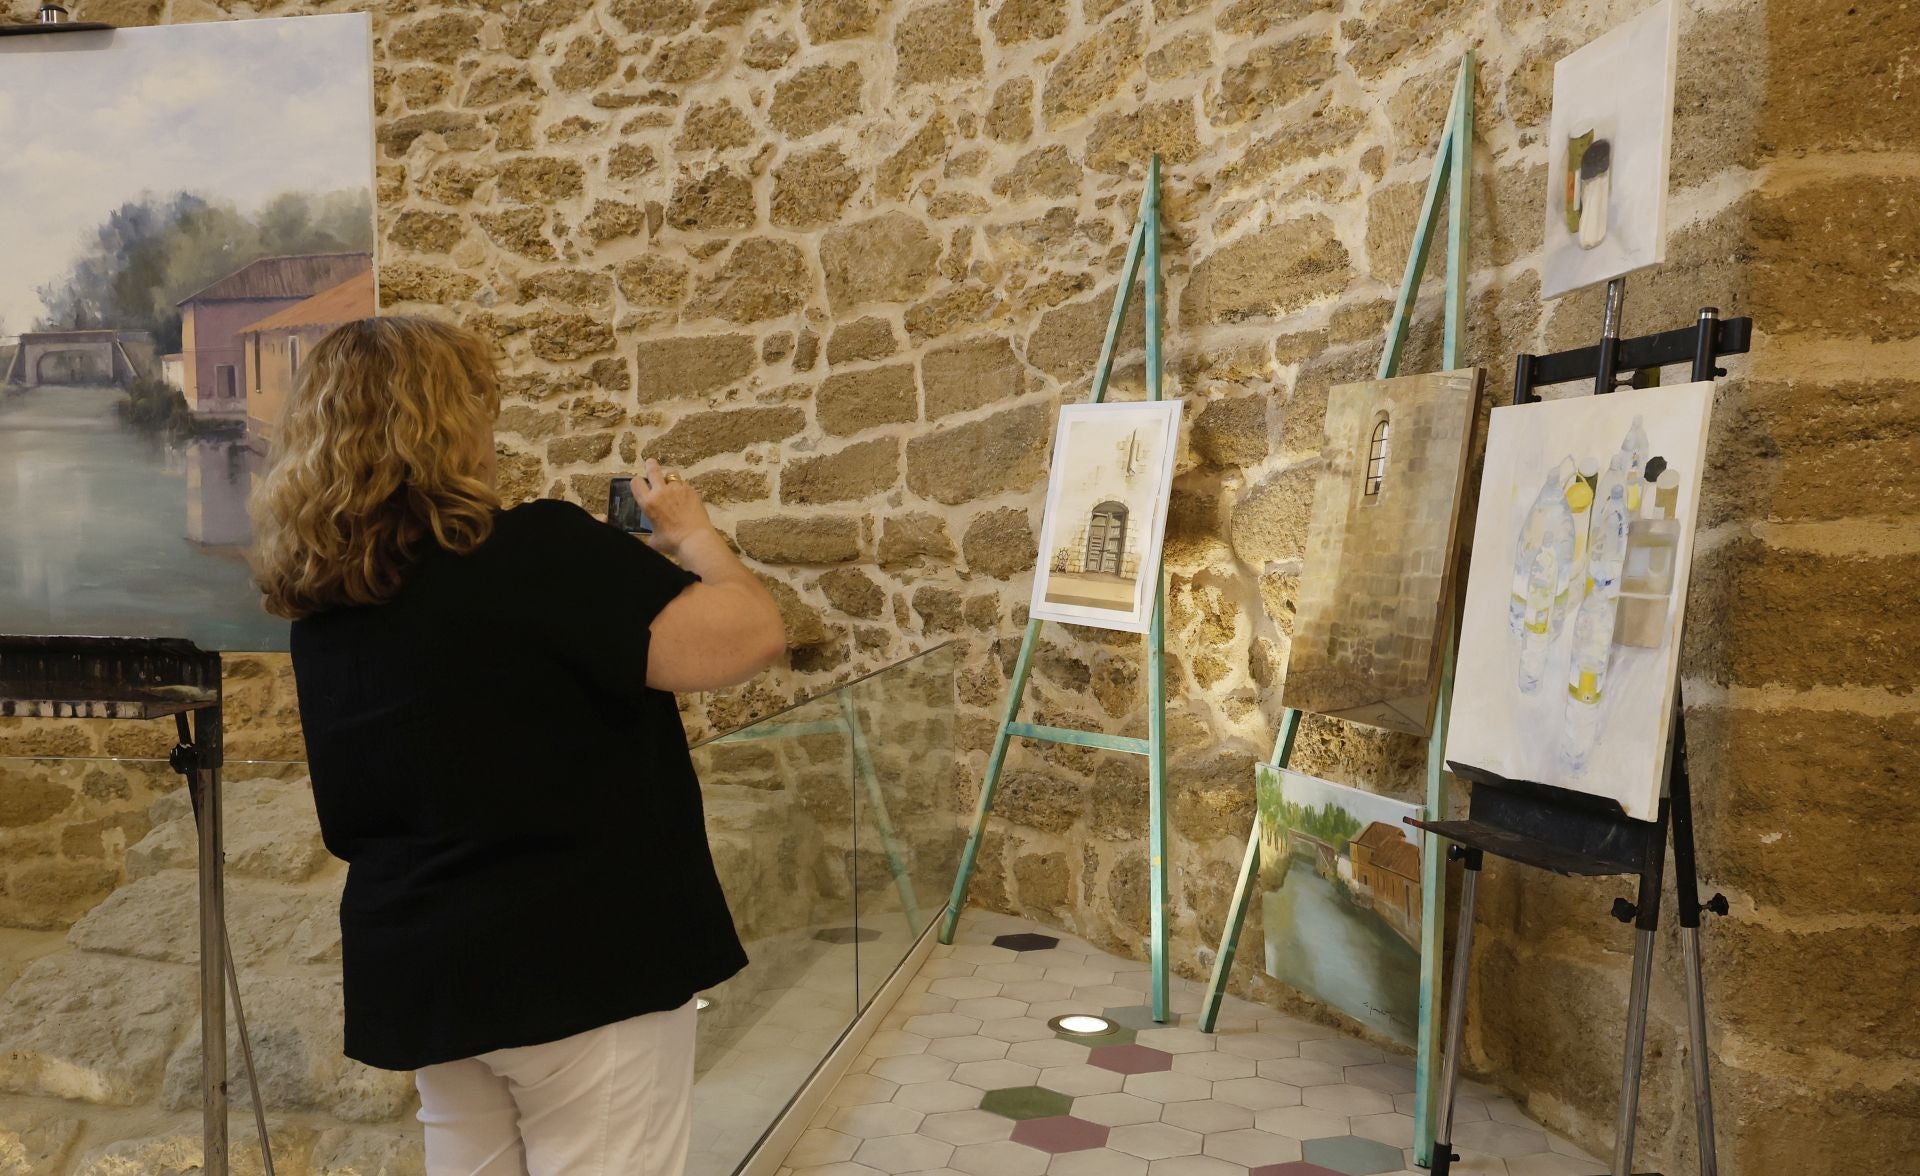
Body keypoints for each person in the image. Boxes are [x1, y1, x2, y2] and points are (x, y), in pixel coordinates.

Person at [250, 316, 786, 1175]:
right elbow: (752, 635)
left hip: (432, 972)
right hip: (582, 961)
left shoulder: (326, 606)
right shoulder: (538, 551)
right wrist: (694, 539)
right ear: (450, 424)